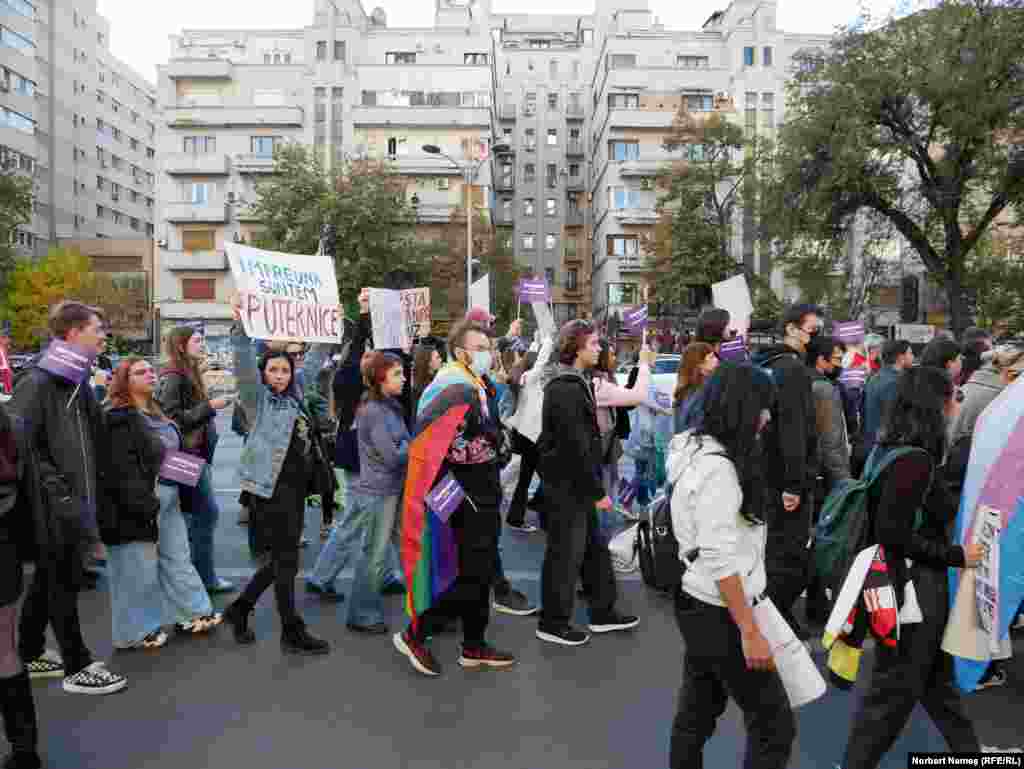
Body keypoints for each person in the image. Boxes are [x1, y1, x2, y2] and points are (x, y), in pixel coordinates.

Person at [839, 367, 984, 769]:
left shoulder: (888, 450)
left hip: (901, 584)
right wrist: (955, 556)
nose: (956, 405)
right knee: (893, 694)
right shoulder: (915, 462)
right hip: (912, 590)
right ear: (935, 405)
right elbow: (894, 534)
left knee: (936, 687)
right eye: (953, 397)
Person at [667, 364, 791, 769]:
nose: (767, 417)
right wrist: (750, 632)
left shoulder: (690, 447)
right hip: (720, 609)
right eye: (762, 407)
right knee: (773, 724)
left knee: (697, 712)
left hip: (696, 599)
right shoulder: (719, 471)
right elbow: (719, 558)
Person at [10, 301, 127, 695]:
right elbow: (22, 446)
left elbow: (93, 439)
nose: (103, 335)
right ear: (73, 332)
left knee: (49, 580)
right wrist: (59, 495)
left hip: (73, 501)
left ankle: (28, 651)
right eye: (97, 328)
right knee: (62, 581)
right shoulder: (39, 381)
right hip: (52, 505)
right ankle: (77, 666)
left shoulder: (75, 381)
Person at [393, 319, 517, 676]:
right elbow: (448, 448)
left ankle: (474, 644)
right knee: (469, 572)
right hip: (463, 491)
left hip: (475, 489)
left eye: (489, 347)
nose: (488, 354)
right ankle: (417, 633)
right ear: (461, 352)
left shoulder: (472, 382)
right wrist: (497, 446)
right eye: (480, 348)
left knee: (476, 570)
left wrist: (497, 443)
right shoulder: (455, 387)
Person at [224, 300, 335, 655]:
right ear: (263, 373)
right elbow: (243, 362)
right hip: (268, 490)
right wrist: (240, 325)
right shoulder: (257, 400)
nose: (280, 376)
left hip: (295, 489)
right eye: (273, 370)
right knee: (286, 561)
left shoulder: (296, 394)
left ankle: (241, 609)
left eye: (285, 370)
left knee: (282, 562)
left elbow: (314, 361)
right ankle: (291, 629)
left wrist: (329, 325)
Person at [101, 358, 221, 650]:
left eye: (150, 370)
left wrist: (188, 474)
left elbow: (169, 454)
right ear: (125, 380)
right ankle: (135, 631)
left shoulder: (157, 411)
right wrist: (143, 502)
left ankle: (193, 612)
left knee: (178, 556)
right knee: (136, 568)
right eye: (140, 372)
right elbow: (120, 467)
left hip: (169, 495)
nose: (150, 374)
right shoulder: (117, 416)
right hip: (139, 501)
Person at [534, 320, 640, 647]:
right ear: (576, 347)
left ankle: (602, 611)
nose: (599, 348)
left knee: (594, 551)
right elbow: (574, 446)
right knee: (564, 555)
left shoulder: (574, 381)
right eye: (593, 343)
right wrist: (597, 491)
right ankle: (553, 623)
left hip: (575, 483)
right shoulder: (565, 387)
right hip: (568, 486)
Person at [750, 304, 819, 639]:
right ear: (791, 329)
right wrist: (794, 483)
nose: (815, 338)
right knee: (789, 554)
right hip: (785, 477)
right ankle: (775, 621)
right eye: (812, 331)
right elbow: (794, 428)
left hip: (766, 471)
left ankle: (773, 616)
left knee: (775, 551)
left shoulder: (765, 365)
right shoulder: (791, 370)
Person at [156, 326, 234, 594]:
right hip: (184, 457)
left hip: (191, 456)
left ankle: (193, 577)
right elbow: (172, 419)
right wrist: (210, 407)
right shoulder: (174, 376)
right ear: (181, 345)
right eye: (197, 340)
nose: (203, 344)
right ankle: (202, 578)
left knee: (192, 516)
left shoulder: (185, 372)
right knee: (203, 514)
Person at [0, 400, 50, 769]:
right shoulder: (12, 425)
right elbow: (30, 496)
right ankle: (24, 750)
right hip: (5, 549)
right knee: (4, 649)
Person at [805, 334, 851, 626]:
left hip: (810, 473)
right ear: (821, 360)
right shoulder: (824, 389)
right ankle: (820, 604)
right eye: (836, 359)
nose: (840, 364)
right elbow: (832, 442)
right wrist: (846, 483)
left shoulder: (802, 380)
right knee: (826, 542)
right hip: (826, 476)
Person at [503, 334, 557, 531]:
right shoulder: (531, 378)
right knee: (550, 480)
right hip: (534, 438)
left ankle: (516, 518)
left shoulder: (523, 377)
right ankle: (548, 520)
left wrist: (536, 341)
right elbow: (539, 363)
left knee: (526, 480)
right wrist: (548, 341)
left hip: (526, 436)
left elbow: (533, 359)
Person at [862, 339, 914, 459]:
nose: (913, 357)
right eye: (910, 353)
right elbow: (893, 418)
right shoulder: (896, 382)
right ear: (901, 357)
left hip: (873, 444)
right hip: (888, 448)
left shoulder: (874, 378)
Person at [673, 342, 719, 434]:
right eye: (712, 357)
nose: (717, 360)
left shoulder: (688, 390)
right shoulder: (703, 391)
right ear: (699, 364)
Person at [411, 343, 443, 412]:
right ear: (428, 362)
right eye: (437, 357)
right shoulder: (424, 388)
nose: (440, 360)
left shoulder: (435, 379)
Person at [0, 321, 12, 396]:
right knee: (6, 378)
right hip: (2, 367)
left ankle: (8, 391)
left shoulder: (4, 348)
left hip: (5, 367)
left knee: (8, 378)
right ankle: (7, 391)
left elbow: (6, 358)